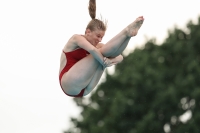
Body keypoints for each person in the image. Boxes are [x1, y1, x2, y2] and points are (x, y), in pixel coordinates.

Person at [59, 0, 144, 97]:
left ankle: (128, 35)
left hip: (85, 90)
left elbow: (120, 57)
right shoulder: (76, 38)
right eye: (98, 36)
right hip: (69, 82)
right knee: (100, 54)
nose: (99, 40)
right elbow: (92, 50)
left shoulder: (98, 46)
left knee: (105, 54)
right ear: (88, 32)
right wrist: (105, 61)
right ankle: (126, 31)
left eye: (101, 37)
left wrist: (109, 61)